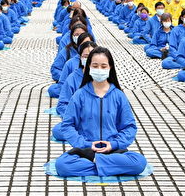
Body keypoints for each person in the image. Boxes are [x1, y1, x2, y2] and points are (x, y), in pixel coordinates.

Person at [54, 47, 148, 177]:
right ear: (89, 67)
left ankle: (98, 163)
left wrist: (114, 144)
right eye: (95, 66)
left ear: (110, 68)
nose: (99, 70)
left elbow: (129, 127)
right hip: (86, 150)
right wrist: (85, 144)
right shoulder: (80, 95)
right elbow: (67, 125)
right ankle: (108, 166)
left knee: (139, 162)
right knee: (62, 165)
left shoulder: (118, 95)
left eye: (104, 66)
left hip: (113, 150)